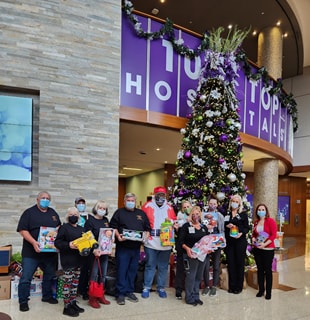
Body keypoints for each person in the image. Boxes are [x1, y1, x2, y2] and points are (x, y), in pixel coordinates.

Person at [17, 191, 61, 312]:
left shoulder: (53, 213)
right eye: (43, 198)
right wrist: (33, 242)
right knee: (26, 277)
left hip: (49, 252)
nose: (45, 200)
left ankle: (46, 296)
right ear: (37, 199)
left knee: (49, 275)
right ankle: (23, 301)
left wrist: (57, 235)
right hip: (31, 252)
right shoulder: (29, 213)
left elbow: (58, 227)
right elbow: (22, 230)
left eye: (47, 198)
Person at [109, 193, 151, 305]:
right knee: (122, 270)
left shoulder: (141, 214)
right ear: (124, 201)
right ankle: (120, 294)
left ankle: (129, 291)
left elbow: (147, 229)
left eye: (132, 200)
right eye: (128, 200)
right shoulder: (119, 213)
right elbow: (113, 227)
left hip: (136, 248)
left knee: (132, 271)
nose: (130, 202)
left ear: (135, 201)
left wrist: (144, 239)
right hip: (123, 247)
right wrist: (118, 236)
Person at [141, 186, 176, 299]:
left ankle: (161, 287)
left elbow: (174, 221)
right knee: (150, 265)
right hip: (151, 241)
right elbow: (141, 221)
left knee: (163, 266)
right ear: (154, 195)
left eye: (163, 195)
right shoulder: (147, 206)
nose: (161, 197)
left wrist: (175, 224)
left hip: (165, 242)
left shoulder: (170, 208)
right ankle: (146, 287)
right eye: (159, 194)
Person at [54, 207, 86, 317]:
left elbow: (86, 241)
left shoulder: (82, 229)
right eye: (71, 214)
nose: (73, 216)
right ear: (68, 216)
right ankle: (66, 306)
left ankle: (73, 302)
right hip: (68, 261)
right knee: (67, 284)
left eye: (76, 214)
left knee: (75, 283)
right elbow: (57, 243)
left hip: (79, 260)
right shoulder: (64, 228)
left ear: (78, 217)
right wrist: (69, 245)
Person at [178, 206, 209, 306]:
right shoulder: (186, 226)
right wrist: (187, 249)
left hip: (202, 256)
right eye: (193, 214)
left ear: (200, 215)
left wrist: (209, 249)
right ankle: (189, 297)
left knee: (198, 277)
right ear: (190, 215)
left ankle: (196, 296)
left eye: (198, 214)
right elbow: (181, 241)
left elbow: (207, 241)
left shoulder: (204, 227)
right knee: (191, 276)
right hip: (190, 255)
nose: (196, 216)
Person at [84, 200, 110, 308]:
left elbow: (108, 234)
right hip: (94, 253)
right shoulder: (90, 221)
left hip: (104, 252)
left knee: (103, 274)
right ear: (96, 208)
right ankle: (92, 297)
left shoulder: (106, 220)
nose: (102, 210)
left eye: (104, 208)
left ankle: (100, 295)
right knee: (94, 274)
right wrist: (94, 249)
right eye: (100, 208)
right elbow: (87, 236)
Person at [224, 194, 250, 294]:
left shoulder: (243, 214)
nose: (234, 203)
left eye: (236, 202)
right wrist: (228, 226)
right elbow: (224, 226)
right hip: (230, 242)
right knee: (231, 263)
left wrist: (240, 232)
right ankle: (232, 285)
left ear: (239, 203)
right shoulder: (227, 214)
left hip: (240, 241)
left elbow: (247, 227)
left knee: (239, 263)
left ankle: (239, 286)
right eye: (233, 201)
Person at [251, 203, 277, 300]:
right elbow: (254, 234)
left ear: (266, 211)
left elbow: (273, 235)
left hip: (267, 249)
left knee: (268, 270)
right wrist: (253, 238)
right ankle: (261, 290)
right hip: (258, 249)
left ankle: (268, 292)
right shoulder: (256, 222)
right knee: (260, 270)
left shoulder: (271, 221)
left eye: (263, 209)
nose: (261, 211)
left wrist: (265, 244)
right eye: (259, 209)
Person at [202, 196, 225, 297]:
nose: (212, 206)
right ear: (208, 204)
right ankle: (207, 285)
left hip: (217, 242)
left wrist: (223, 241)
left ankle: (214, 286)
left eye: (214, 204)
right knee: (205, 265)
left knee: (216, 265)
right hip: (206, 242)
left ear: (217, 205)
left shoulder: (219, 216)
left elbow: (222, 229)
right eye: (211, 204)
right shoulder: (203, 215)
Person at [174, 200, 192, 300]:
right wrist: (176, 229)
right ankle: (179, 290)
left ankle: (190, 289)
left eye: (188, 206)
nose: (186, 209)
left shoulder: (195, 217)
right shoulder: (179, 218)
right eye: (184, 207)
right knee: (180, 268)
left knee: (191, 269)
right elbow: (177, 233)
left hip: (192, 247)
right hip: (181, 246)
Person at [75, 197, 91, 301]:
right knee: (75, 269)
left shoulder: (89, 216)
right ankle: (74, 290)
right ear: (75, 204)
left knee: (85, 270)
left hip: (86, 246)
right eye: (79, 203)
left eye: (83, 203)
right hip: (75, 246)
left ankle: (84, 290)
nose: (81, 205)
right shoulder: (72, 215)